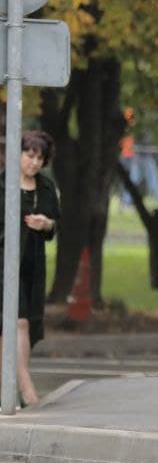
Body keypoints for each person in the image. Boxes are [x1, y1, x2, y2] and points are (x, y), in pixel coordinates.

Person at [0, 131, 60, 408]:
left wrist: (45, 223)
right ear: (19, 154)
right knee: (17, 322)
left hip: (32, 266)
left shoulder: (46, 188)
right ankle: (28, 392)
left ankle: (9, 389)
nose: (34, 163)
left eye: (39, 158)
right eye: (29, 155)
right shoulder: (4, 184)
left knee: (21, 326)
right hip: (4, 264)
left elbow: (54, 225)